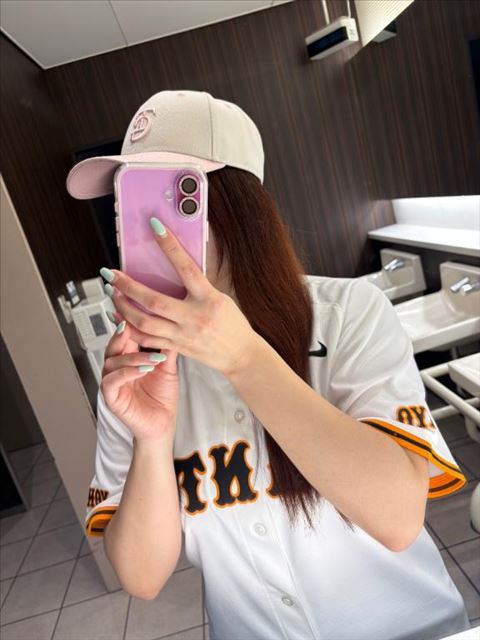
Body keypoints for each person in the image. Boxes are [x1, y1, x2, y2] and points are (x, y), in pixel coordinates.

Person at [66, 90, 471, 640]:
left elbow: (399, 519)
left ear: (234, 204)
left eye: (159, 199)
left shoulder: (349, 312)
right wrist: (153, 440)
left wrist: (244, 359)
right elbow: (142, 577)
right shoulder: (134, 367)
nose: (136, 227)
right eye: (125, 206)